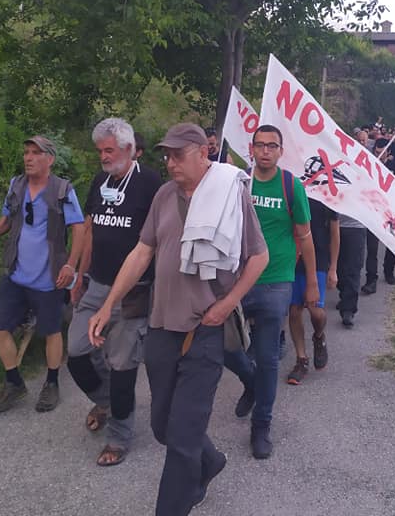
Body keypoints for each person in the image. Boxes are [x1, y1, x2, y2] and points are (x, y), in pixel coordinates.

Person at [87, 123, 268, 515]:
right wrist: (108, 304)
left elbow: (259, 256)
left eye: (178, 155)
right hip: (162, 326)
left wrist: (228, 303)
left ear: (203, 153)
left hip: (206, 328)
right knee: (162, 425)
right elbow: (142, 252)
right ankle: (211, 461)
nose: (170, 163)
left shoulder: (230, 194)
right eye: (166, 155)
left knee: (183, 437)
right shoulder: (164, 195)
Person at [67, 118, 162, 466]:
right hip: (96, 284)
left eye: (109, 150)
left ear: (129, 148)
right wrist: (80, 275)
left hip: (133, 293)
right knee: (76, 353)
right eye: (100, 151)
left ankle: (119, 437)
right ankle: (105, 400)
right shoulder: (100, 181)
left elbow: (159, 239)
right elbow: (91, 230)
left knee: (123, 365)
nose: (104, 157)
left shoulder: (150, 182)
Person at [224, 124, 317, 459]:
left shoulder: (291, 186)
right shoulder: (238, 183)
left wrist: (312, 281)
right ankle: (250, 382)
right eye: (260, 145)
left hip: (276, 280)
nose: (265, 151)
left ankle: (261, 425)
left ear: (280, 151)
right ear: (251, 149)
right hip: (236, 279)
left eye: (272, 146)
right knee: (223, 345)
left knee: (267, 358)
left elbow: (305, 236)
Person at [0, 135, 84, 414]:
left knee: (51, 331)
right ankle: (14, 383)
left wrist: (70, 265)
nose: (28, 158)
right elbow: (7, 217)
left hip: (49, 277)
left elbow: (79, 228)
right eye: (26, 152)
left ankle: (52, 382)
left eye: (36, 153)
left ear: (50, 159)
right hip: (16, 274)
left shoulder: (62, 190)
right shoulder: (17, 185)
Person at [287, 196, 337, 383]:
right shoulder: (291, 187)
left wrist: (333, 268)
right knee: (294, 310)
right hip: (293, 254)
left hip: (319, 256)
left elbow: (335, 232)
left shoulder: (327, 193)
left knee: (315, 309)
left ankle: (318, 335)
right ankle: (301, 359)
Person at [363, 138, 395, 293]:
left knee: (390, 242)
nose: (379, 154)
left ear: (388, 152)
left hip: (390, 211)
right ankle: (371, 279)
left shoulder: (394, 166)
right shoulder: (369, 165)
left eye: (382, 152)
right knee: (372, 248)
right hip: (373, 211)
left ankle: (389, 271)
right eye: (377, 152)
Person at [336, 211, 366, 328]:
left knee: (353, 269)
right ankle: (344, 296)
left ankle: (348, 310)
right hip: (335, 225)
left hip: (356, 227)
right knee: (339, 269)